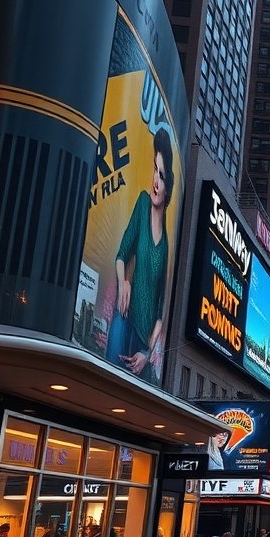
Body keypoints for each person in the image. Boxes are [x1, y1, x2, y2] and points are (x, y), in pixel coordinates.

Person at [105, 127, 174, 382]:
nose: (155, 180)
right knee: (107, 377)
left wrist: (147, 352)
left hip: (143, 343)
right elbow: (121, 253)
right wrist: (123, 281)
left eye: (162, 176)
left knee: (129, 393)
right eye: (155, 170)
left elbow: (161, 313)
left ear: (168, 188)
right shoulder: (143, 202)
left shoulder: (166, 246)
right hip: (124, 318)